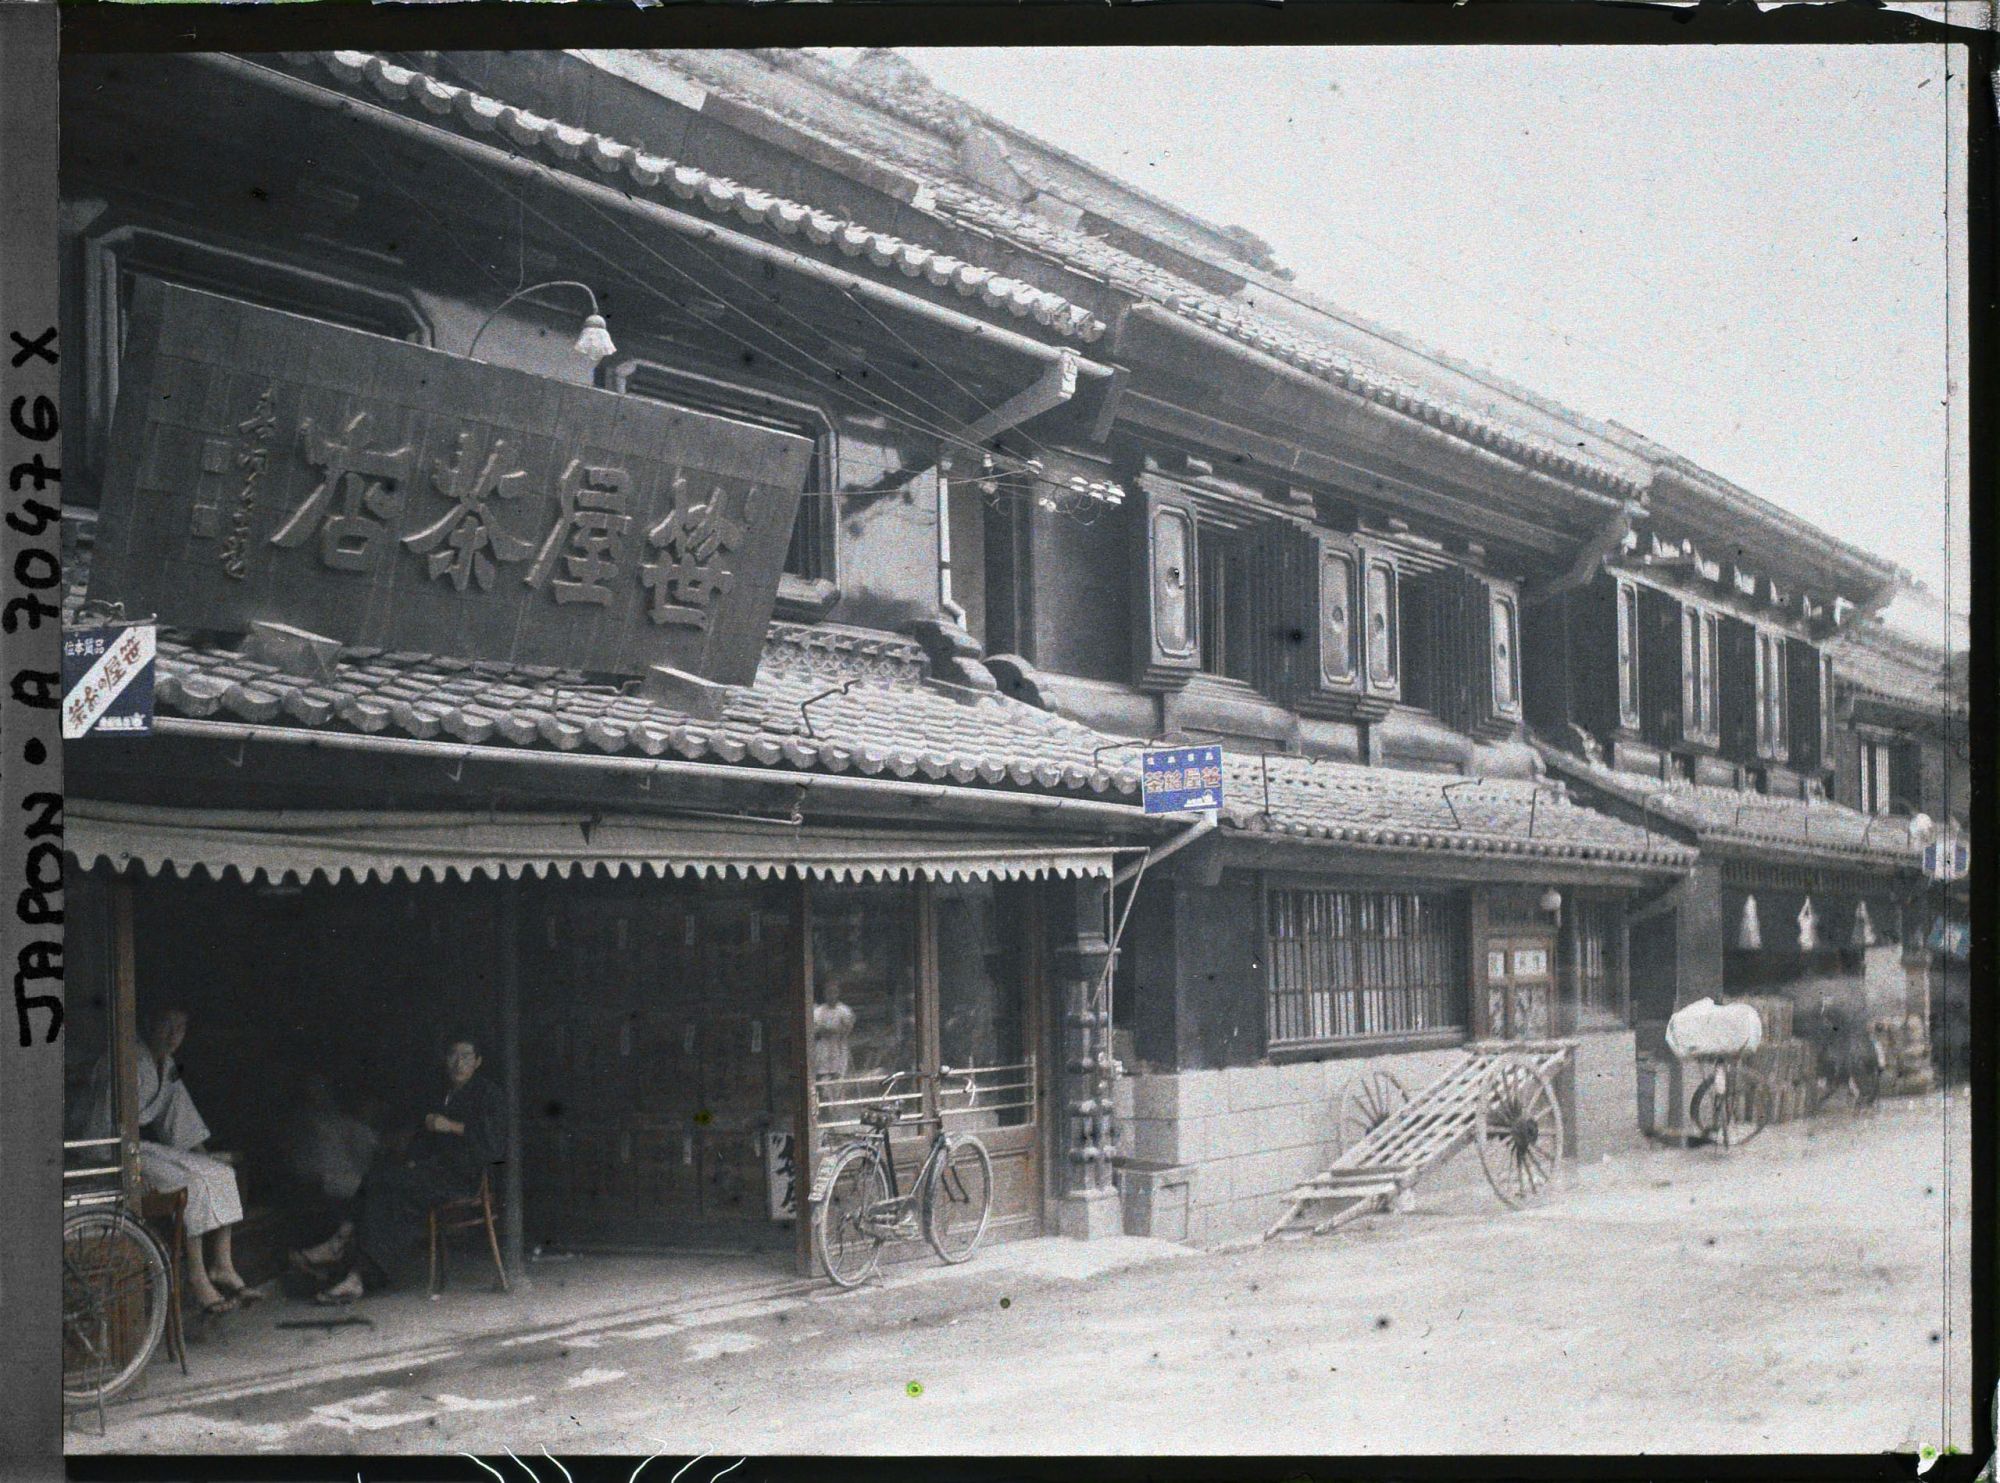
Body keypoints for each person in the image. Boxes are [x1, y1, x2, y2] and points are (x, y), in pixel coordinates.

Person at [295, 1035, 505, 1303]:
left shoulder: (489, 1094)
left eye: (466, 1056)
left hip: (463, 1177)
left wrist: (451, 1126)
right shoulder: (442, 1094)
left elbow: (495, 1144)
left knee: (386, 1185)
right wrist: (414, 1157)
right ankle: (353, 1272)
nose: (458, 1062)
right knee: (386, 1188)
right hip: (432, 1173)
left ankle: (343, 1251)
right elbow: (424, 1140)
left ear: (478, 1062)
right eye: (453, 1055)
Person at [84, 1008, 252, 1315]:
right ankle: (197, 1277)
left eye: (182, 1027)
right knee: (190, 1183)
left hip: (139, 1145)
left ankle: (223, 1265)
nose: (175, 1035)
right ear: (149, 1023)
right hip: (112, 1151)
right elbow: (108, 1124)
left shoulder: (167, 1063)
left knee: (223, 1173)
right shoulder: (127, 1057)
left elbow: (180, 1119)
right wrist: (139, 1172)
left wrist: (205, 1158)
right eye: (167, 1025)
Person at [286, 1073, 380, 1229]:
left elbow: (366, 1161)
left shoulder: (347, 1126)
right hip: (318, 1189)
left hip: (346, 1188)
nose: (318, 1095)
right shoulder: (301, 1124)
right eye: (312, 1091)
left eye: (321, 1089)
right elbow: (302, 1167)